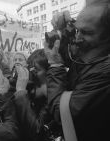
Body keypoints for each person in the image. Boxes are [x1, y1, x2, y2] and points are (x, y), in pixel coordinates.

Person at [44, 2, 110, 141]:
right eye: (76, 30)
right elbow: (70, 58)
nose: (77, 38)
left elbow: (62, 113)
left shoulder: (105, 72)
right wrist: (62, 30)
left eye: (86, 32)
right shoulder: (93, 52)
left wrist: (55, 66)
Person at [13, 49, 62, 141]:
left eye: (36, 70)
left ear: (50, 73)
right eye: (31, 69)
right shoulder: (32, 86)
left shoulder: (53, 97)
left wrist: (20, 92)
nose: (32, 74)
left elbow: (37, 131)